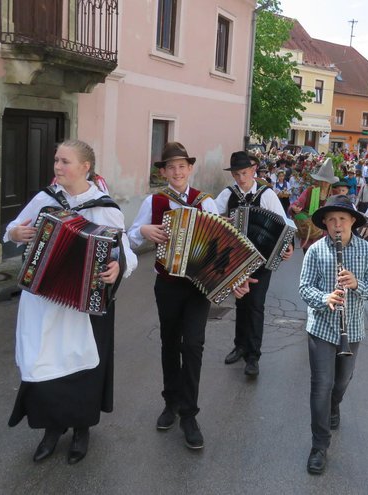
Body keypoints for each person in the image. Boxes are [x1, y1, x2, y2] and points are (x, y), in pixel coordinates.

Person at [5, 139, 137, 464]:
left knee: (82, 366)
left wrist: (118, 266)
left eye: (65, 161)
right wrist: (14, 234)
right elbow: (13, 228)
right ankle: (52, 429)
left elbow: (127, 253)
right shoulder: (45, 199)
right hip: (44, 300)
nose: (58, 167)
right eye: (56, 160)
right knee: (44, 363)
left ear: (85, 167)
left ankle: (81, 429)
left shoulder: (105, 207)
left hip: (82, 304)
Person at [128, 142, 234, 450]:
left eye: (182, 166)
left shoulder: (206, 202)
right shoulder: (155, 200)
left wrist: (229, 277)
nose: (177, 172)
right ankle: (170, 402)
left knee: (194, 346)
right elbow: (132, 237)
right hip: (168, 283)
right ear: (163, 171)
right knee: (169, 343)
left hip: (198, 286)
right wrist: (145, 231)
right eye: (171, 167)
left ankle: (189, 414)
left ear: (190, 169)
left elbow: (221, 243)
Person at [299, 195, 368, 475]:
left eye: (342, 219)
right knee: (320, 385)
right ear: (324, 222)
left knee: (341, 381)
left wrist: (356, 284)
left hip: (353, 329)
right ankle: (319, 445)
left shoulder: (367, 251)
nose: (337, 225)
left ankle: (334, 406)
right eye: (331, 219)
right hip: (321, 328)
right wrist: (325, 298)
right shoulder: (315, 250)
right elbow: (304, 288)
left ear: (352, 222)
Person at [215, 151, 293, 377]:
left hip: (262, 257)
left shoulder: (266, 194)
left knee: (256, 305)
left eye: (245, 172)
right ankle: (240, 345)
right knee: (241, 302)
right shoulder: (227, 194)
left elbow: (283, 222)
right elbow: (211, 216)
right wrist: (222, 220)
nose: (241, 178)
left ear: (254, 170)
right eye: (237, 174)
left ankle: (253, 355)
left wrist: (288, 245)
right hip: (235, 259)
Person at [289, 158, 339, 253]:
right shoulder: (311, 191)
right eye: (322, 180)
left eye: (327, 181)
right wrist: (294, 209)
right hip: (310, 237)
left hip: (328, 238)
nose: (324, 183)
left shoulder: (334, 194)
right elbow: (295, 205)